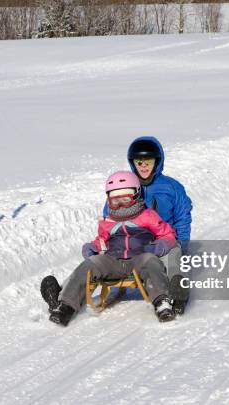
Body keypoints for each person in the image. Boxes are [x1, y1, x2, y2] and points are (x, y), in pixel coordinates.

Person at [40, 171, 178, 326]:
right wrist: (93, 247)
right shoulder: (108, 222)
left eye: (125, 199)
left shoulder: (148, 216)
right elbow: (102, 241)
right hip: (113, 260)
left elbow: (168, 234)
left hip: (140, 258)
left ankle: (162, 302)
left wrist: (162, 245)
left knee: (152, 262)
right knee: (91, 263)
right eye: (115, 200)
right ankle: (65, 305)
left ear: (137, 195)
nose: (120, 205)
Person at [103, 136, 193, 314]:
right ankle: (68, 296)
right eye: (139, 162)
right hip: (134, 243)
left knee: (173, 258)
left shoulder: (172, 187)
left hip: (164, 241)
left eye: (148, 161)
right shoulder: (126, 186)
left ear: (157, 162)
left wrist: (182, 243)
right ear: (133, 163)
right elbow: (110, 214)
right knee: (98, 263)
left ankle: (178, 291)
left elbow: (183, 216)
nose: (143, 166)